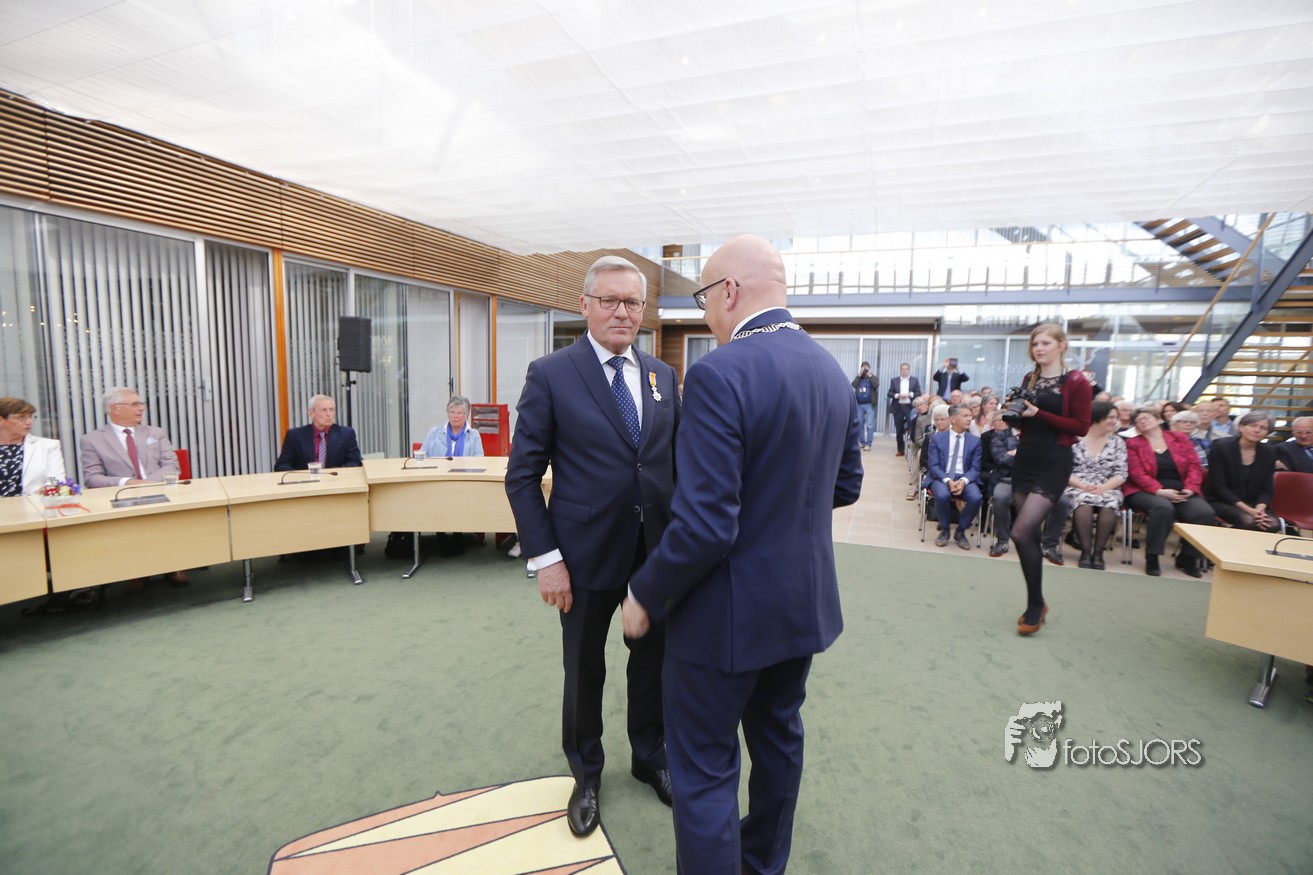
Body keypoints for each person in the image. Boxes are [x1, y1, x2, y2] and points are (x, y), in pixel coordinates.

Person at [620, 235, 862, 875]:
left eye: (704, 297)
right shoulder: (831, 372)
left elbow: (706, 525)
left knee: (703, 768)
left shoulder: (719, 373)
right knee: (779, 741)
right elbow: (845, 486)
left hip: (724, 618)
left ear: (729, 291)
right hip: (802, 605)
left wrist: (646, 591)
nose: (705, 314)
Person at [504, 255, 680, 838]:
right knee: (583, 670)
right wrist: (547, 560)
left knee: (652, 663)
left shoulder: (662, 376)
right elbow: (522, 477)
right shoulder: (551, 374)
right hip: (581, 558)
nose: (622, 312)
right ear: (584, 305)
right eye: (610, 300)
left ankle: (650, 756)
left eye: (632, 302)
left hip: (653, 554)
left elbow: (669, 465)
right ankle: (586, 774)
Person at [1007, 323, 1092, 635]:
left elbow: (1081, 427)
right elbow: (1027, 425)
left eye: (1045, 343)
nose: (1039, 349)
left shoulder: (1076, 381)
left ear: (1061, 345)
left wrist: (1038, 413)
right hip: (1026, 459)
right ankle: (1036, 602)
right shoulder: (1029, 379)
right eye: (1035, 344)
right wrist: (1013, 414)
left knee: (1020, 531)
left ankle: (1035, 603)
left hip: (1054, 462)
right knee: (1027, 536)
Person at [80, 387, 189, 589]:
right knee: (132, 524)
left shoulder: (155, 433)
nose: (141, 408)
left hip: (160, 490)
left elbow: (172, 466)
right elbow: (92, 478)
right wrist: (128, 483)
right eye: (135, 404)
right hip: (123, 497)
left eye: (141, 404)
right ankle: (138, 570)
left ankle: (173, 564)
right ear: (115, 408)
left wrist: (149, 484)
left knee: (169, 517)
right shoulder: (92, 440)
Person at [1123, 407, 1215, 578]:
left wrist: (1190, 488)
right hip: (1144, 490)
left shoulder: (1179, 438)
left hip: (1181, 488)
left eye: (1146, 417)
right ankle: (1152, 556)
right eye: (1138, 420)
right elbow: (1137, 474)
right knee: (1163, 508)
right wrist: (1160, 491)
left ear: (1159, 420)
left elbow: (1195, 466)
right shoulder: (1133, 444)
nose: (1143, 421)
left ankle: (1187, 558)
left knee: (1204, 513)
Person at [1061, 400, 1128, 569]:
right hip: (1077, 484)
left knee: (1110, 503)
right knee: (1083, 502)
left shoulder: (1118, 442)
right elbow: (1063, 470)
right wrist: (1083, 486)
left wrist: (1104, 488)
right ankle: (1085, 551)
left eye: (1116, 418)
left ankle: (1098, 554)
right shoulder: (1074, 439)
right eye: (1111, 417)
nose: (1115, 421)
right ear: (1097, 417)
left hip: (1108, 486)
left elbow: (1121, 473)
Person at [419, 396, 485, 555]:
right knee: (437, 498)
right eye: (452, 412)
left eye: (460, 413)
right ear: (447, 413)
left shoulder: (473, 435)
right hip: (437, 480)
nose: (455, 416)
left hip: (464, 481)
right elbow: (422, 455)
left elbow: (480, 459)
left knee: (459, 497)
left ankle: (457, 536)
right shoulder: (434, 433)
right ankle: (441, 537)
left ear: (466, 415)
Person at [1205, 411, 1279, 532]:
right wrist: (1249, 510)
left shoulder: (1269, 452)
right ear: (1241, 427)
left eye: (1263, 428)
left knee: (1272, 524)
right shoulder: (1221, 447)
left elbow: (1267, 488)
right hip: (1223, 500)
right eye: (1253, 425)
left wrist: (1260, 508)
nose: (1257, 430)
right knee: (1248, 521)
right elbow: (1218, 487)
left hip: (1253, 502)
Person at [926, 403, 982, 550]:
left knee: (976, 497)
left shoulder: (975, 441)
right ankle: (945, 530)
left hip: (965, 477)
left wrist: (963, 481)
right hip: (941, 477)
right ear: (953, 419)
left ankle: (961, 530)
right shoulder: (937, 439)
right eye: (965, 416)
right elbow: (933, 466)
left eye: (970, 416)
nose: (969, 419)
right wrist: (948, 481)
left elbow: (975, 468)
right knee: (942, 495)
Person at [274, 394, 363, 471]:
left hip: (335, 481)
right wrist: (302, 476)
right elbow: (281, 465)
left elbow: (355, 462)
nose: (329, 414)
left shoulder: (346, 434)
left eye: (331, 410)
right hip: (306, 482)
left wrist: (331, 474)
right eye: (324, 410)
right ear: (311, 413)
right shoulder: (295, 435)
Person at [0, 397, 66, 496]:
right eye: (21, 417)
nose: (29, 422)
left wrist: (49, 488)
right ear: (1, 420)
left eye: (30, 417)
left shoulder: (48, 446)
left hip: (33, 502)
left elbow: (55, 478)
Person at [985, 411, 1018, 557]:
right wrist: (1024, 456)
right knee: (1000, 498)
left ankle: (1049, 545)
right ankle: (1003, 540)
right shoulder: (1000, 435)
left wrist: (1014, 453)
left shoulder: (1035, 434)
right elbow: (1000, 458)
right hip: (1006, 479)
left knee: (1060, 501)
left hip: (1031, 479)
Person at [886, 362, 921, 457]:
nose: (904, 371)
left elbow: (918, 392)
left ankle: (912, 447)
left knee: (911, 427)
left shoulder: (914, 380)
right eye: (903, 369)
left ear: (909, 370)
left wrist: (910, 394)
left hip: (910, 407)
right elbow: (889, 393)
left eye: (906, 369)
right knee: (899, 429)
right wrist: (898, 395)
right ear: (900, 370)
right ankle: (900, 450)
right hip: (898, 407)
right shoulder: (894, 380)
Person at [851, 362, 876, 451]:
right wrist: (859, 375)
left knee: (870, 425)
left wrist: (869, 375)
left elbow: (876, 385)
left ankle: (869, 444)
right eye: (863, 368)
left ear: (869, 369)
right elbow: (853, 385)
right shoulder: (859, 378)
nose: (865, 370)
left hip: (869, 404)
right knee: (859, 424)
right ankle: (862, 442)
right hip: (859, 404)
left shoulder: (873, 377)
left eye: (866, 368)